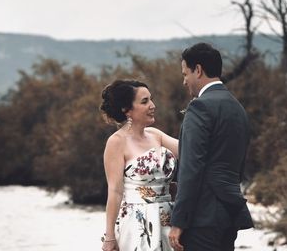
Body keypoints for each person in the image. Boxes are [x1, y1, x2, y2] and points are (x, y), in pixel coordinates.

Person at [169, 43, 254, 251]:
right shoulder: (237, 107)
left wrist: (179, 220)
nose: (184, 81)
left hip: (202, 218)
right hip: (229, 212)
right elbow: (238, 166)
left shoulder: (199, 107)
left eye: (185, 73)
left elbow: (191, 168)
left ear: (198, 70)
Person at [100, 79, 179, 251]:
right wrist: (109, 236)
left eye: (151, 99)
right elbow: (115, 191)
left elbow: (191, 152)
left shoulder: (156, 135)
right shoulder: (116, 142)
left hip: (168, 218)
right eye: (145, 101)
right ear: (126, 110)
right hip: (138, 221)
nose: (152, 105)